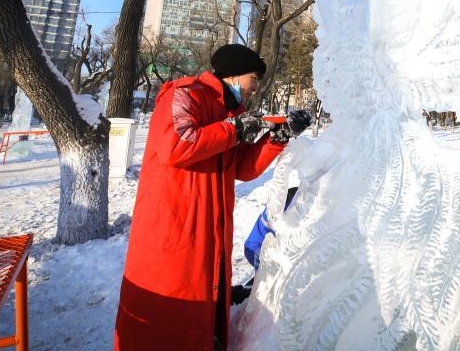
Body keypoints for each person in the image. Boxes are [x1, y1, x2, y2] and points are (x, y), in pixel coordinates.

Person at [114, 44, 312, 350]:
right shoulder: (184, 94)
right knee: (169, 308)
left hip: (210, 227)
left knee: (200, 301)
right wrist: (233, 128)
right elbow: (177, 145)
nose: (255, 87)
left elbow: (244, 167)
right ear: (233, 74)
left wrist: (278, 136)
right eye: (253, 78)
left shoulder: (232, 113)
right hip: (173, 225)